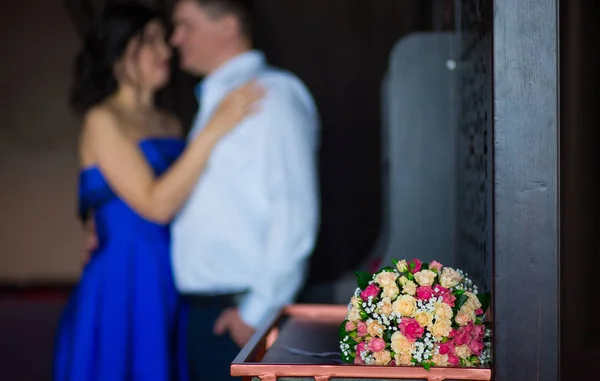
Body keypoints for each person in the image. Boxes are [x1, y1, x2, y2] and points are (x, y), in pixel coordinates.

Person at [53, 3, 263, 381]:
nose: (166, 51)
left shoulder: (170, 121)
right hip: (123, 278)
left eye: (164, 40)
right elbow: (156, 204)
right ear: (119, 51)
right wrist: (215, 129)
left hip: (172, 272)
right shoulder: (103, 119)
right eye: (150, 40)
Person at [169, 0, 320, 380]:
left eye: (185, 25)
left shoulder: (270, 95)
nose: (175, 39)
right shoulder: (219, 98)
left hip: (240, 315)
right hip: (205, 312)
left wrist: (256, 312)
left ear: (228, 26)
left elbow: (295, 210)